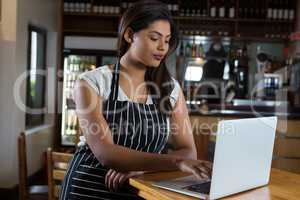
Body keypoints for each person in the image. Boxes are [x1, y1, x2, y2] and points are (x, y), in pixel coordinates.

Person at [59, 1, 212, 199]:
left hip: (142, 191)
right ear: (129, 35)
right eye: (154, 38)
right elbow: (106, 153)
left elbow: (188, 152)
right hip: (88, 188)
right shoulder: (92, 82)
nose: (162, 47)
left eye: (167, 40)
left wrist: (143, 169)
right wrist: (175, 162)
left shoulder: (171, 89)